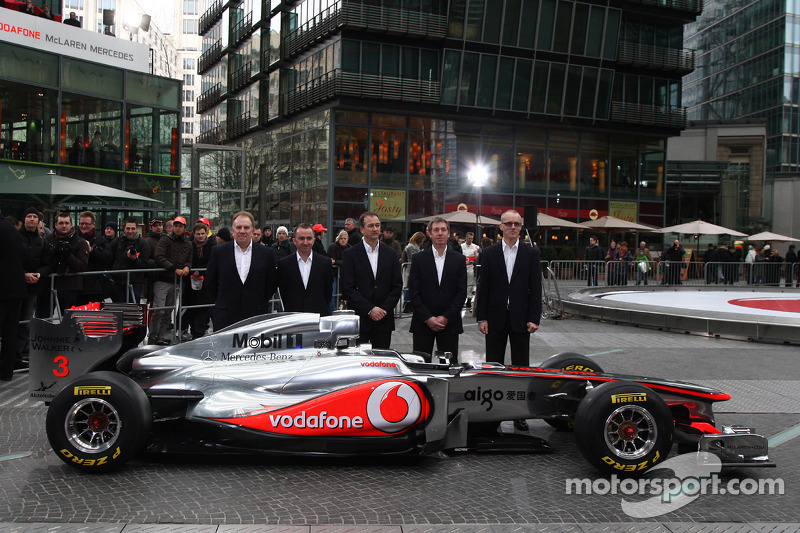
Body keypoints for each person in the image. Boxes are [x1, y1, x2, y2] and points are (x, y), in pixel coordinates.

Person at [476, 209, 541, 431]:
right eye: (508, 223)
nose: (513, 227)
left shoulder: (531, 254)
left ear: (521, 228)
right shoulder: (490, 253)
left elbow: (536, 288)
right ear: (501, 227)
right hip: (494, 319)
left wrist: (534, 318)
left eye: (517, 224)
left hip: (521, 319)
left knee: (521, 369)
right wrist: (481, 317)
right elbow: (483, 288)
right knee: (493, 367)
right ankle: (492, 413)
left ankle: (519, 414)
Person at [205, 211, 279, 330]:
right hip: (225, 316)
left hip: (256, 316)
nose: (242, 231)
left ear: (252, 230)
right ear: (232, 230)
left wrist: (257, 302)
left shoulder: (266, 253)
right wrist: (224, 301)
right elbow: (210, 283)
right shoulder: (218, 252)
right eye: (239, 227)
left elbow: (271, 284)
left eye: (246, 227)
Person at [408, 217, 467, 364]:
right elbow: (414, 292)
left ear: (448, 233)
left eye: (443, 230)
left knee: (449, 368)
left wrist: (446, 317)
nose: (440, 233)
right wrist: (428, 318)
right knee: (420, 366)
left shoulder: (459, 260)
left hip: (450, 324)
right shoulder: (418, 259)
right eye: (436, 230)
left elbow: (461, 292)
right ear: (429, 233)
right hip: (423, 323)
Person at [340, 211, 403, 349]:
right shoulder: (350, 254)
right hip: (360, 319)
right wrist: (370, 309)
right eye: (370, 226)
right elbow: (347, 288)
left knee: (381, 364)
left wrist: (384, 310)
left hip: (384, 320)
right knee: (358, 365)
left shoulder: (391, 254)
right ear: (362, 229)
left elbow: (397, 286)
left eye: (377, 225)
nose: (375, 229)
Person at [151, 216, 192, 345]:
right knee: (159, 309)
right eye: (176, 226)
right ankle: (153, 335)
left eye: (180, 226)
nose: (177, 228)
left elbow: (189, 260)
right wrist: (174, 268)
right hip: (163, 280)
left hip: (175, 281)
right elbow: (159, 256)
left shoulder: (188, 243)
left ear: (184, 228)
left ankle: (161, 336)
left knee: (168, 311)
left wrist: (187, 267)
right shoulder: (165, 239)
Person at [18, 207, 52, 364]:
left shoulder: (42, 242)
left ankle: (19, 352)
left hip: (33, 286)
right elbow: (10, 261)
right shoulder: (16, 238)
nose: (31, 219)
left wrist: (39, 274)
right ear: (24, 219)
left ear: (39, 221)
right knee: (14, 320)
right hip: (16, 285)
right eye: (29, 216)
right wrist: (23, 274)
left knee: (26, 320)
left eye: (34, 217)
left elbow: (47, 263)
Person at [278, 223, 333, 315]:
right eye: (301, 238)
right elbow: (284, 292)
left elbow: (328, 292)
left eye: (309, 238)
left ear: (314, 240)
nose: (305, 242)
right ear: (294, 241)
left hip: (318, 316)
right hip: (293, 317)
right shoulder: (284, 264)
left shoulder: (325, 263)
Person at [46, 212, 89, 313]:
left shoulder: (80, 242)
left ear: (71, 224)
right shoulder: (48, 240)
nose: (64, 226)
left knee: (68, 318)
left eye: (66, 223)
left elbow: (82, 265)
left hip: (70, 286)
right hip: (50, 284)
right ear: (56, 225)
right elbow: (44, 261)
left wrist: (68, 255)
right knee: (45, 317)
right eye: (61, 223)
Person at [0, 214, 26, 381]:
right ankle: (6, 372)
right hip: (16, 289)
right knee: (10, 333)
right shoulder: (13, 230)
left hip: (2, 289)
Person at [108, 217, 150, 303]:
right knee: (118, 307)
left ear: (137, 229)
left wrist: (134, 259)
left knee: (134, 307)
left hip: (135, 281)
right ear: (124, 228)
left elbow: (144, 264)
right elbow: (109, 258)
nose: (130, 231)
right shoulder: (117, 242)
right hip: (118, 281)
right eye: (128, 228)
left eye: (133, 228)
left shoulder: (143, 244)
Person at [74, 210, 112, 305]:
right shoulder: (74, 238)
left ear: (93, 225)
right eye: (81, 223)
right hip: (76, 285)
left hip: (94, 287)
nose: (83, 226)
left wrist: (92, 250)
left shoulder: (100, 240)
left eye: (87, 224)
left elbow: (107, 258)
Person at [186, 222, 215, 339]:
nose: (200, 236)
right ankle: (193, 330)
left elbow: (212, 262)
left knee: (204, 308)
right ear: (194, 234)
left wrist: (201, 271)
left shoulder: (212, 246)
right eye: (198, 234)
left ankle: (200, 331)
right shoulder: (189, 245)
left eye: (203, 234)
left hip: (206, 282)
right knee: (191, 307)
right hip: (190, 281)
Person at [401, 231, 426, 313]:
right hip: (409, 269)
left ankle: (410, 304)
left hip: (413, 269)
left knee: (411, 287)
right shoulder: (411, 246)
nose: (422, 242)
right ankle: (407, 304)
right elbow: (413, 257)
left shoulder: (415, 246)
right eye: (422, 240)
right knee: (408, 287)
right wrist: (421, 254)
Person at [327, 229, 350, 313]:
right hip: (334, 274)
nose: (343, 240)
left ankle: (342, 312)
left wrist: (337, 261)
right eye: (341, 238)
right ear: (338, 238)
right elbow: (331, 260)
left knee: (344, 294)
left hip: (345, 275)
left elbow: (349, 261)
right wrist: (342, 262)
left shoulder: (349, 248)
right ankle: (332, 312)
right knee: (333, 294)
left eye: (345, 238)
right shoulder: (333, 247)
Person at [143, 217, 164, 306]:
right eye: (155, 226)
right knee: (154, 304)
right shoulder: (147, 241)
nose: (158, 227)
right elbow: (145, 259)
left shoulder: (166, 239)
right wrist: (159, 263)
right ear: (151, 228)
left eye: (160, 225)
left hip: (166, 276)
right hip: (153, 277)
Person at [461, 231, 479, 307]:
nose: (470, 240)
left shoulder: (475, 247)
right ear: (466, 238)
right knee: (461, 284)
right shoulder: (461, 246)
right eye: (469, 238)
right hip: (462, 267)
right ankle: (461, 299)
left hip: (471, 267)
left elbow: (477, 258)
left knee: (470, 284)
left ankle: (469, 299)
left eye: (471, 238)